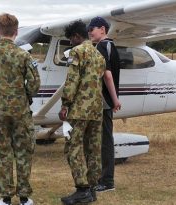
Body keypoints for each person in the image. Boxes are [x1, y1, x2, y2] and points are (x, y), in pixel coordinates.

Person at [0, 13, 40, 205]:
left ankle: (5, 198)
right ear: (16, 31)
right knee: (23, 152)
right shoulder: (23, 54)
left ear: (0, 31)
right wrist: (25, 97)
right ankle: (24, 197)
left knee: (2, 154)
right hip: (21, 112)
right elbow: (35, 83)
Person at [58, 20, 106, 205]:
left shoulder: (77, 52)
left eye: (71, 39)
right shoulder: (99, 55)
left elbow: (72, 80)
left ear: (77, 36)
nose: (70, 42)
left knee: (72, 147)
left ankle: (82, 189)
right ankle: (92, 188)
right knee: (93, 149)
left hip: (79, 109)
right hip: (96, 109)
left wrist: (65, 104)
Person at [88, 16, 121, 192]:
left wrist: (114, 100)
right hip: (108, 99)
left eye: (92, 29)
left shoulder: (101, 46)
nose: (89, 33)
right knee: (104, 138)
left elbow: (107, 75)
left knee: (106, 140)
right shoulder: (111, 45)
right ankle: (104, 178)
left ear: (102, 29)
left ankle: (107, 181)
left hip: (105, 101)